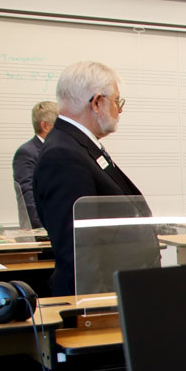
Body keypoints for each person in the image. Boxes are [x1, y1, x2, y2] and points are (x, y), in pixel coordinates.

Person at [34, 61, 157, 296]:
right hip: (100, 299)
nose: (120, 110)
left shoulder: (81, 146)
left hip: (123, 289)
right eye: (117, 101)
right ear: (97, 102)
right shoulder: (63, 155)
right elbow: (79, 250)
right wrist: (95, 309)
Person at [12, 100, 57, 229]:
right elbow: (28, 195)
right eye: (59, 125)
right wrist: (44, 227)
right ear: (45, 126)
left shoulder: (59, 150)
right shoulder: (26, 152)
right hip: (40, 233)